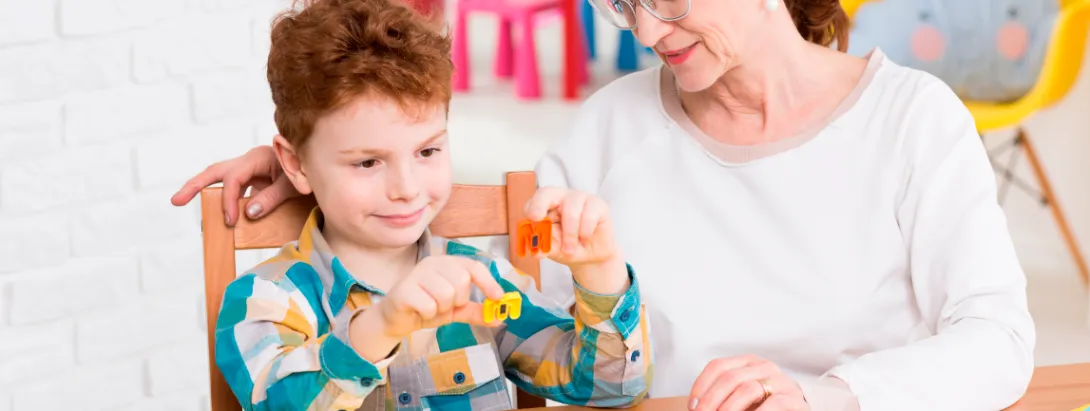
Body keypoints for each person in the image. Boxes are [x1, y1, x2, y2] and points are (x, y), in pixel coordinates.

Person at [175, 0, 1038, 409]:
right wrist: (314, 164)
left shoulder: (911, 117)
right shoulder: (612, 125)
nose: (649, 30)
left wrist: (828, 398)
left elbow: (998, 340)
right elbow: (455, 211)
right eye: (625, 3)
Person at [210, 0, 653, 410]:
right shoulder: (265, 301)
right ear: (295, 164)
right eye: (367, 162)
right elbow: (280, 402)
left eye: (427, 152)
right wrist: (379, 326)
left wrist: (601, 274)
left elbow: (611, 389)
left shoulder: (485, 283)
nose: (406, 188)